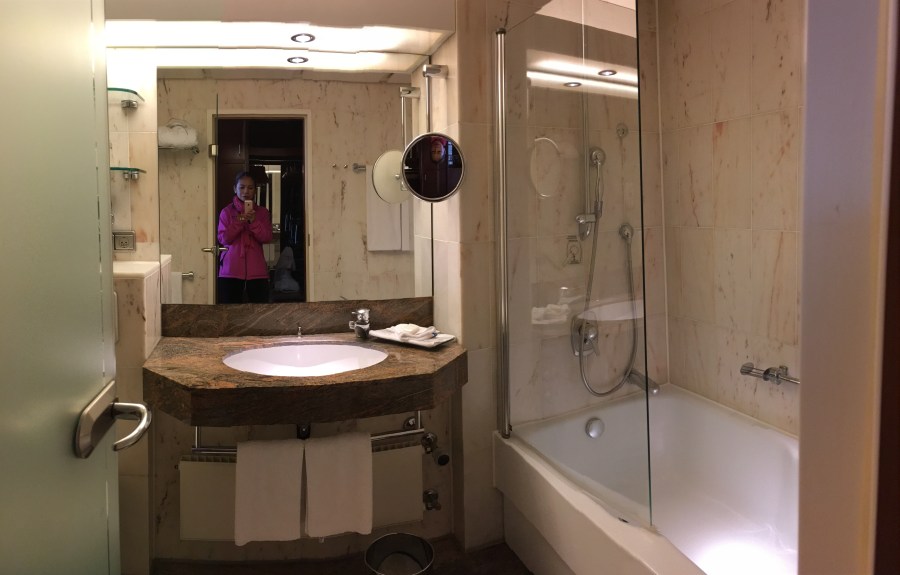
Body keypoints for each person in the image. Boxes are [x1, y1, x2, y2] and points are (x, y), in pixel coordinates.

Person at [217, 171, 273, 303]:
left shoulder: (262, 213)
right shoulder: (226, 212)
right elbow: (223, 239)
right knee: (230, 311)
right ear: (235, 189)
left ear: (255, 190)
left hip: (257, 271)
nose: (246, 191)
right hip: (230, 271)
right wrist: (240, 220)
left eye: (250, 188)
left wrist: (253, 222)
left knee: (259, 311)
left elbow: (266, 237)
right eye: (242, 187)